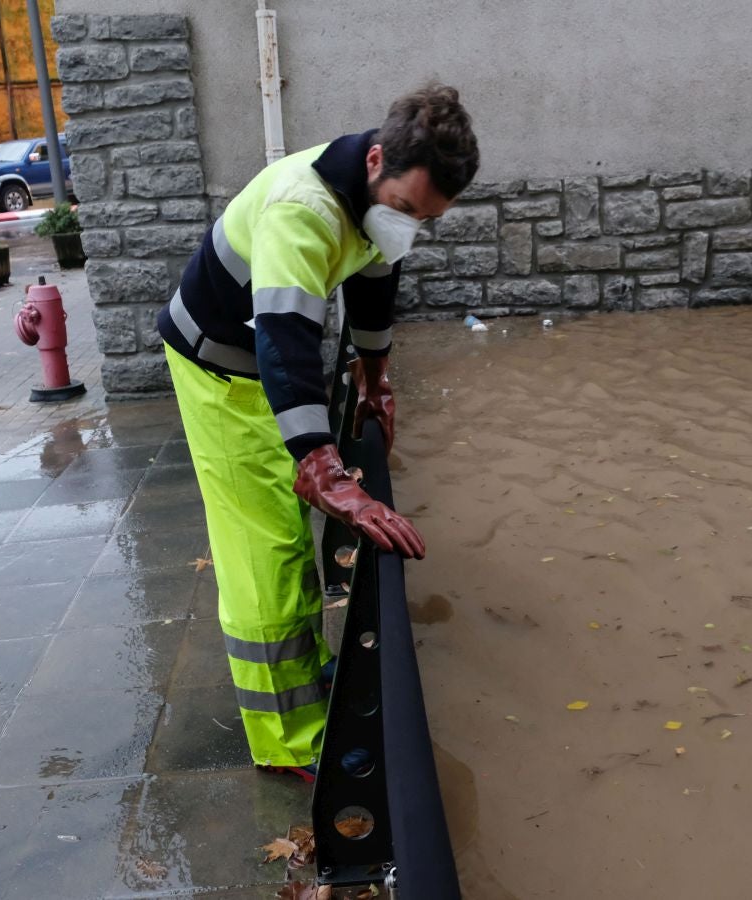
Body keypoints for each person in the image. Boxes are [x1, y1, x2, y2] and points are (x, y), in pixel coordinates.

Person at [158, 84, 479, 782]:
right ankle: (289, 737)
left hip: (257, 359)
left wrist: (375, 375)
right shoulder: (302, 211)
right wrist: (324, 467)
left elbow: (372, 282)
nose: (408, 226)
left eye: (426, 219)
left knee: (292, 522)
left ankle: (304, 671)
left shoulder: (373, 203)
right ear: (374, 161)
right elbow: (284, 342)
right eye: (404, 209)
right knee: (265, 544)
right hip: (220, 367)